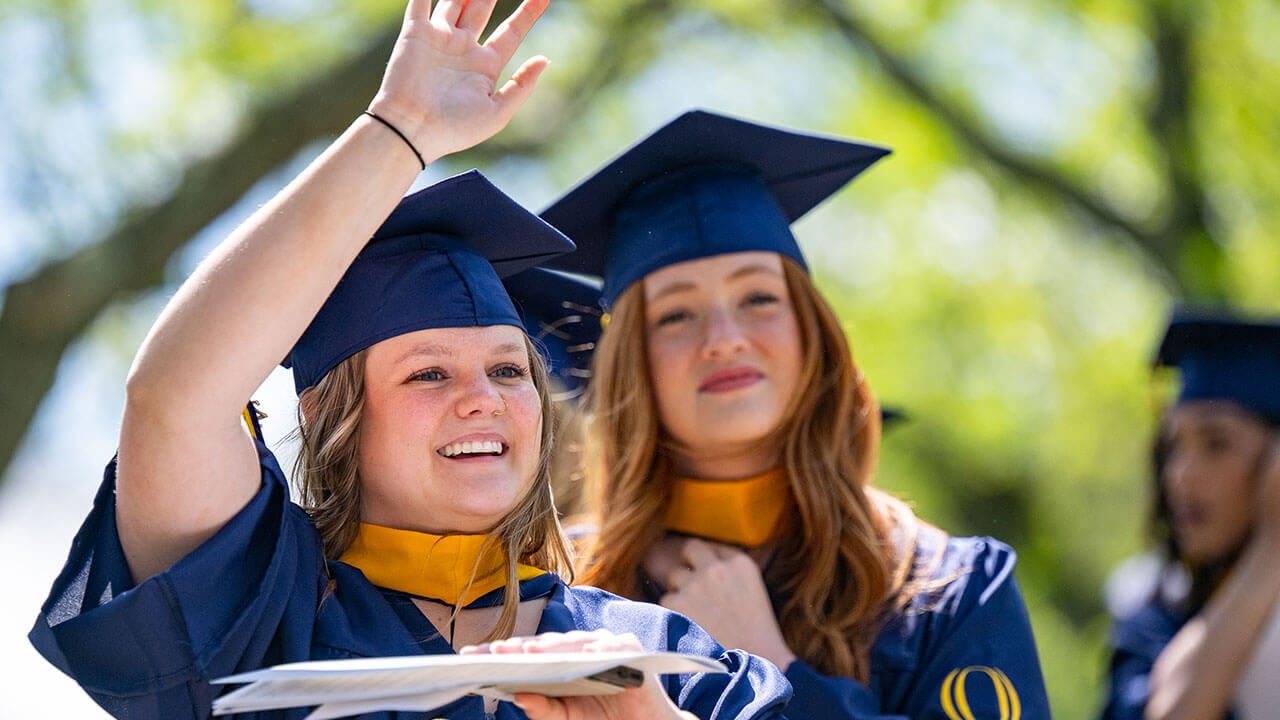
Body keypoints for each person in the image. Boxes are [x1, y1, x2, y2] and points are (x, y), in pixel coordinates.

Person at [26, 3, 792, 719]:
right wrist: (402, 129)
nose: (483, 399)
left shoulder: (663, 658)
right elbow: (172, 399)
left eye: (507, 370)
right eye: (429, 373)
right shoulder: (264, 615)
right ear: (329, 412)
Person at [539, 109, 1051, 718]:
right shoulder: (561, 588)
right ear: (631, 362)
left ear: (813, 333)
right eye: (676, 314)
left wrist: (766, 663)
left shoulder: (945, 590)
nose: (724, 338)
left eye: (759, 298)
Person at [1099, 310, 1280, 720]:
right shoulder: (1154, 608)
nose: (1180, 474)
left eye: (1216, 444)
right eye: (1173, 447)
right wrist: (1272, 554)